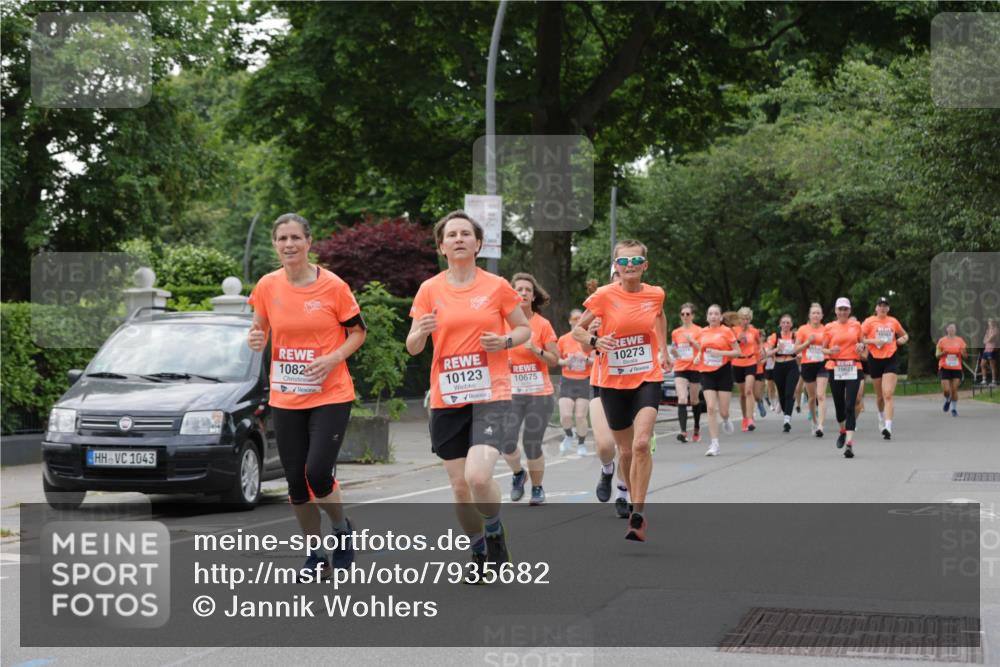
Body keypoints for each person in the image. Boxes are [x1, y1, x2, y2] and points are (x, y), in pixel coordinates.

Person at [406, 211, 531, 580]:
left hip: (491, 392)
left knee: (478, 478)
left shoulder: (496, 286)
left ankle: (494, 529)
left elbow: (523, 330)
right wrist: (421, 332)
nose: (459, 239)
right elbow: (412, 347)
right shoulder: (430, 289)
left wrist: (505, 341)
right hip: (447, 397)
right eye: (451, 235)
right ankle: (477, 546)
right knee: (460, 487)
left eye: (466, 234)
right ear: (441, 246)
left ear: (478, 243)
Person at [247, 213, 367, 579]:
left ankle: (342, 529)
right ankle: (316, 553)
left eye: (295, 238)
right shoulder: (267, 286)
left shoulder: (332, 286)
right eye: (282, 239)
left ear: (309, 242)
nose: (289, 245)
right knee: (296, 482)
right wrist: (255, 338)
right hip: (286, 397)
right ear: (274, 244)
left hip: (330, 393)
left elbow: (358, 333)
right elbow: (259, 328)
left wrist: (333, 357)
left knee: (317, 473)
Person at [574, 240, 668, 542]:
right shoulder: (603, 295)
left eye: (635, 261)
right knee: (625, 451)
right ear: (616, 266)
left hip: (647, 377)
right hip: (611, 382)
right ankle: (628, 494)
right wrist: (593, 342)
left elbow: (660, 315)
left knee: (641, 444)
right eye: (623, 262)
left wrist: (663, 348)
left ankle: (638, 513)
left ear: (645, 265)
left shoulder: (655, 294)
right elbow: (577, 330)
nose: (629, 266)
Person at [502, 273, 559, 506]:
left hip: (539, 393)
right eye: (519, 289)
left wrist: (536, 350)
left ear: (533, 296)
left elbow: (555, 360)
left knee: (531, 443)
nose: (523, 293)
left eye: (527, 290)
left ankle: (537, 488)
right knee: (506, 440)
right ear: (512, 295)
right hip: (511, 392)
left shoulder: (542, 324)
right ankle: (518, 474)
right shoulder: (503, 323)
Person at [584, 269, 632, 517]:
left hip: (635, 383)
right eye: (616, 277)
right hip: (602, 381)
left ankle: (623, 493)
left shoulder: (642, 306)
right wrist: (592, 335)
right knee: (605, 445)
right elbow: (581, 344)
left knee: (627, 447)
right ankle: (606, 470)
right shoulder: (598, 308)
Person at [690, 305, 742, 456]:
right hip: (706, 372)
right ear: (707, 317)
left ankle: (726, 420)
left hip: (723, 371)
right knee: (711, 407)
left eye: (716, 314)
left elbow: (737, 352)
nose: (713, 316)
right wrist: (698, 356)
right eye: (710, 314)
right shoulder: (702, 332)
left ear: (720, 317)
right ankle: (714, 444)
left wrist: (720, 352)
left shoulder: (727, 331)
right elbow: (702, 349)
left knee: (724, 411)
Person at [861, 296, 909, 440]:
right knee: (880, 396)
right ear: (876, 308)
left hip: (891, 358)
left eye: (885, 306)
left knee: (888, 394)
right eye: (880, 305)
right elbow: (859, 338)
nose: (882, 308)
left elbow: (905, 335)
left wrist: (902, 339)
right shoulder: (869, 322)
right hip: (875, 359)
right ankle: (881, 417)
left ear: (888, 308)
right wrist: (873, 341)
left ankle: (888, 427)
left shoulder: (893, 321)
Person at [822, 298, 865, 458]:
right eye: (840, 309)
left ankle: (849, 444)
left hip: (853, 367)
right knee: (839, 405)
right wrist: (830, 351)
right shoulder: (829, 327)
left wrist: (861, 347)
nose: (843, 312)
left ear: (850, 311)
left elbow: (862, 345)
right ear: (835, 311)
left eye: (845, 309)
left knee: (850, 405)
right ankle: (842, 430)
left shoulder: (856, 326)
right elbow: (822, 349)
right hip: (836, 367)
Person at [557, 309, 594, 456]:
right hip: (567, 381)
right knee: (565, 415)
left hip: (584, 381)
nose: (577, 320)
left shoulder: (589, 338)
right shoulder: (563, 339)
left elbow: (595, 360)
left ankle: (581, 444)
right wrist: (565, 361)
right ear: (570, 321)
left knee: (580, 416)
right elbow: (556, 359)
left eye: (580, 318)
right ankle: (568, 435)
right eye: (574, 318)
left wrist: (584, 359)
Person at [669, 303, 703, 443]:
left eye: (688, 314)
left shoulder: (699, 331)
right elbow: (675, 349)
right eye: (682, 314)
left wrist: (692, 341)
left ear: (693, 315)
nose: (685, 316)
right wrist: (674, 352)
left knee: (694, 400)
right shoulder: (676, 332)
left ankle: (696, 428)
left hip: (695, 367)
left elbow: (703, 348)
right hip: (680, 367)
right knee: (682, 398)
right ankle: (683, 432)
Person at [795, 303, 829, 437]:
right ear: (809, 315)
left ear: (822, 316)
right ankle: (814, 421)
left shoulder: (826, 329)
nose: (815, 315)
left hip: (822, 363)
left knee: (821, 395)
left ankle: (821, 426)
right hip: (807, 364)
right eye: (813, 313)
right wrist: (807, 342)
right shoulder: (803, 329)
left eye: (818, 313)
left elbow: (830, 346)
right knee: (812, 397)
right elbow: (795, 349)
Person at [765, 314, 800, 433]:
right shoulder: (775, 336)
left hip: (792, 366)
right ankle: (786, 412)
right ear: (780, 324)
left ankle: (787, 420)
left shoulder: (795, 336)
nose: (786, 325)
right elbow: (768, 353)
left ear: (791, 324)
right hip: (778, 366)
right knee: (782, 394)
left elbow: (800, 349)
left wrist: (798, 352)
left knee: (789, 393)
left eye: (788, 323)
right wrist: (777, 349)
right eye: (783, 322)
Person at [731, 307, 763, 432]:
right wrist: (738, 339)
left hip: (751, 361)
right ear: (739, 319)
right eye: (743, 318)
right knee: (743, 394)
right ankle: (744, 417)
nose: (745, 321)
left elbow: (759, 342)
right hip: (738, 362)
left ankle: (750, 419)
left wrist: (761, 348)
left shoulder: (754, 331)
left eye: (747, 318)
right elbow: (730, 345)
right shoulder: (734, 330)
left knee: (749, 390)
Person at [937, 323, 967, 417]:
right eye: (950, 328)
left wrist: (962, 353)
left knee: (954, 389)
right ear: (947, 329)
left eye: (953, 328)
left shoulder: (960, 341)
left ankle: (954, 409)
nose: (952, 329)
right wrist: (943, 353)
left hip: (956, 367)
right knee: (946, 390)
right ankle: (947, 399)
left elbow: (965, 356)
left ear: (956, 330)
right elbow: (937, 355)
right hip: (944, 367)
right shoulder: (941, 341)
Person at [981, 318, 999, 386]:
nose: (990, 322)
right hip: (986, 349)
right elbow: (984, 340)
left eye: (991, 321)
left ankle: (994, 381)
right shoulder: (988, 330)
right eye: (989, 321)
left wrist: (987, 339)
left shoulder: (995, 330)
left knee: (992, 365)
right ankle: (984, 380)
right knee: (982, 364)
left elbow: (990, 339)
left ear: (994, 322)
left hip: (992, 348)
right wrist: (987, 339)